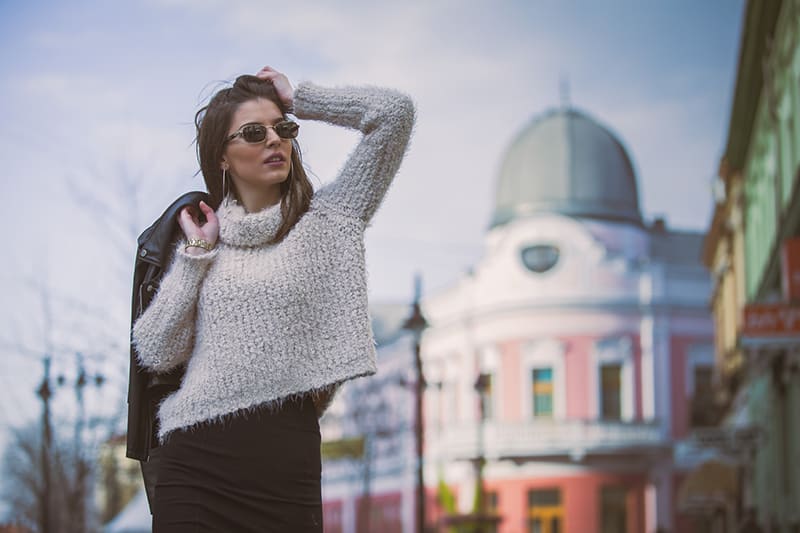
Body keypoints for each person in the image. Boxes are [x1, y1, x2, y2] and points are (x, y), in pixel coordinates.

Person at [131, 65, 415, 532]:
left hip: (285, 467)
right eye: (253, 132)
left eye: (282, 128)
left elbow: (393, 114)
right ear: (222, 156)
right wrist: (195, 258)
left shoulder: (330, 218)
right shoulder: (202, 244)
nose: (274, 140)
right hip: (195, 466)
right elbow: (156, 350)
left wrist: (299, 98)